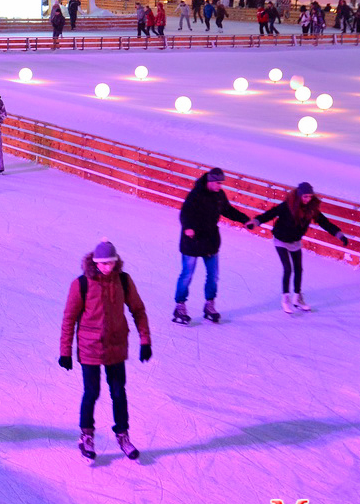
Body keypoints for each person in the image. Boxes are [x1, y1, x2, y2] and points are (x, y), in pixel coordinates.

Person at [59, 239, 151, 461]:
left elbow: (138, 309)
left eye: (110, 263)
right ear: (95, 262)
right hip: (89, 346)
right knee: (92, 392)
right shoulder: (81, 284)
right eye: (102, 263)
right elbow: (69, 318)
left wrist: (145, 340)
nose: (106, 267)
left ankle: (123, 435)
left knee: (118, 392)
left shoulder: (124, 281)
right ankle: (86, 436)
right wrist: (65, 351)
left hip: (116, 345)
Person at [247, 182, 348, 313]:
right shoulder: (287, 206)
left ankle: (297, 299)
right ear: (300, 195)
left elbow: (325, 223)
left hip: (295, 241)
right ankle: (285, 300)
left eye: (310, 196)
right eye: (305, 196)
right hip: (281, 240)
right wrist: (255, 222)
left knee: (299, 269)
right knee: (288, 269)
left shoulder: (311, 210)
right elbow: (270, 214)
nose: (308, 199)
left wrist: (339, 235)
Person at [173, 167, 251, 325]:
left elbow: (228, 210)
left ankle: (209, 305)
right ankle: (179, 306)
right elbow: (185, 213)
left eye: (221, 183)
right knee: (187, 275)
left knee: (213, 276)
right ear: (209, 181)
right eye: (217, 183)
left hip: (210, 241)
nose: (219, 186)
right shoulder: (196, 195)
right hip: (192, 241)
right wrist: (188, 227)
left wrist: (244, 219)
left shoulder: (219, 196)